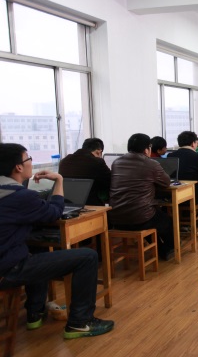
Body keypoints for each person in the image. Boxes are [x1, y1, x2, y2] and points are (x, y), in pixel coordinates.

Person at [0, 143, 114, 338]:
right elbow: (54, 212)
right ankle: (80, 322)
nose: (31, 163)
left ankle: (35, 313)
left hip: (7, 261)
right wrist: (59, 181)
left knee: (39, 249)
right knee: (87, 257)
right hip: (8, 269)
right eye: (29, 159)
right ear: (18, 167)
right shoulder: (20, 196)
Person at [108, 133, 175, 260]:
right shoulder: (151, 164)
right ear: (146, 149)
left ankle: (160, 250)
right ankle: (169, 249)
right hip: (140, 217)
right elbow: (166, 182)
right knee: (166, 221)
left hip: (116, 216)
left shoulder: (116, 162)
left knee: (153, 218)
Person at [58, 137, 111, 205]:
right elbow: (111, 181)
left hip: (66, 204)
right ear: (99, 152)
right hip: (90, 205)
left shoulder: (64, 161)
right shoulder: (97, 162)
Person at [168, 131, 198, 203]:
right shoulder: (197, 157)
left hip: (174, 193)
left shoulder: (170, 156)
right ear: (193, 143)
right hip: (194, 193)